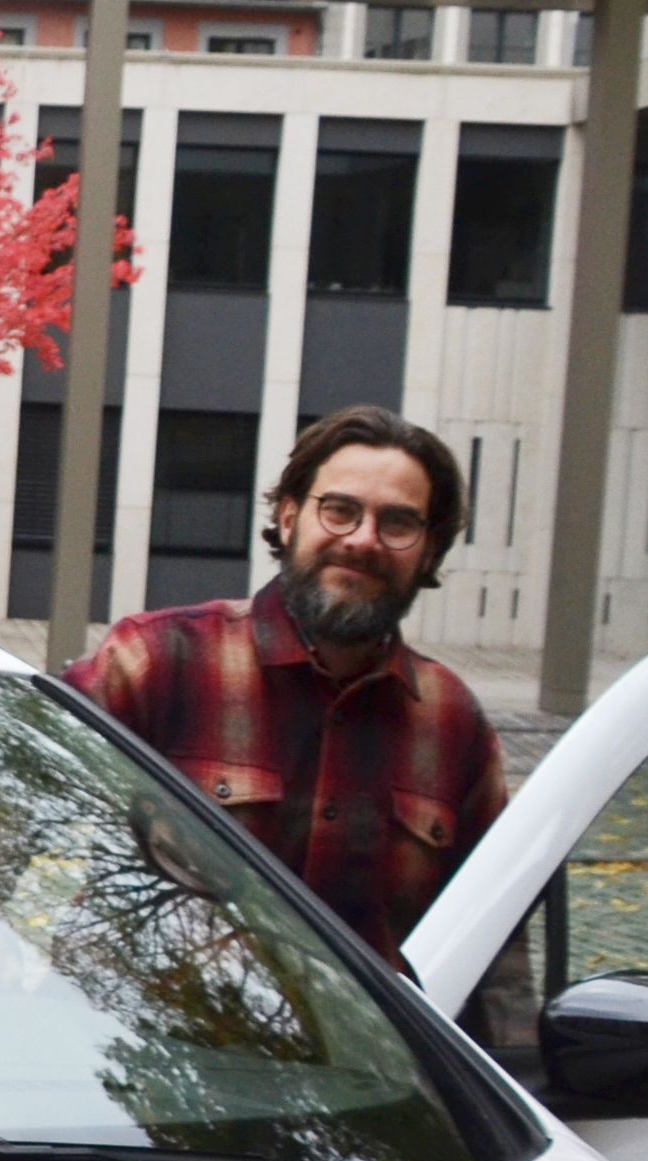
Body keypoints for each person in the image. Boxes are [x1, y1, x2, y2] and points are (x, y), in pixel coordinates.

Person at [62, 403, 506, 961]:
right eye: (340, 510)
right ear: (291, 518)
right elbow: (6, 796)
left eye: (397, 522)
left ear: (429, 551)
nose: (363, 539)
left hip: (357, 1050)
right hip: (150, 1042)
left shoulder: (453, 722)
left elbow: (492, 949)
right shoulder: (156, 661)